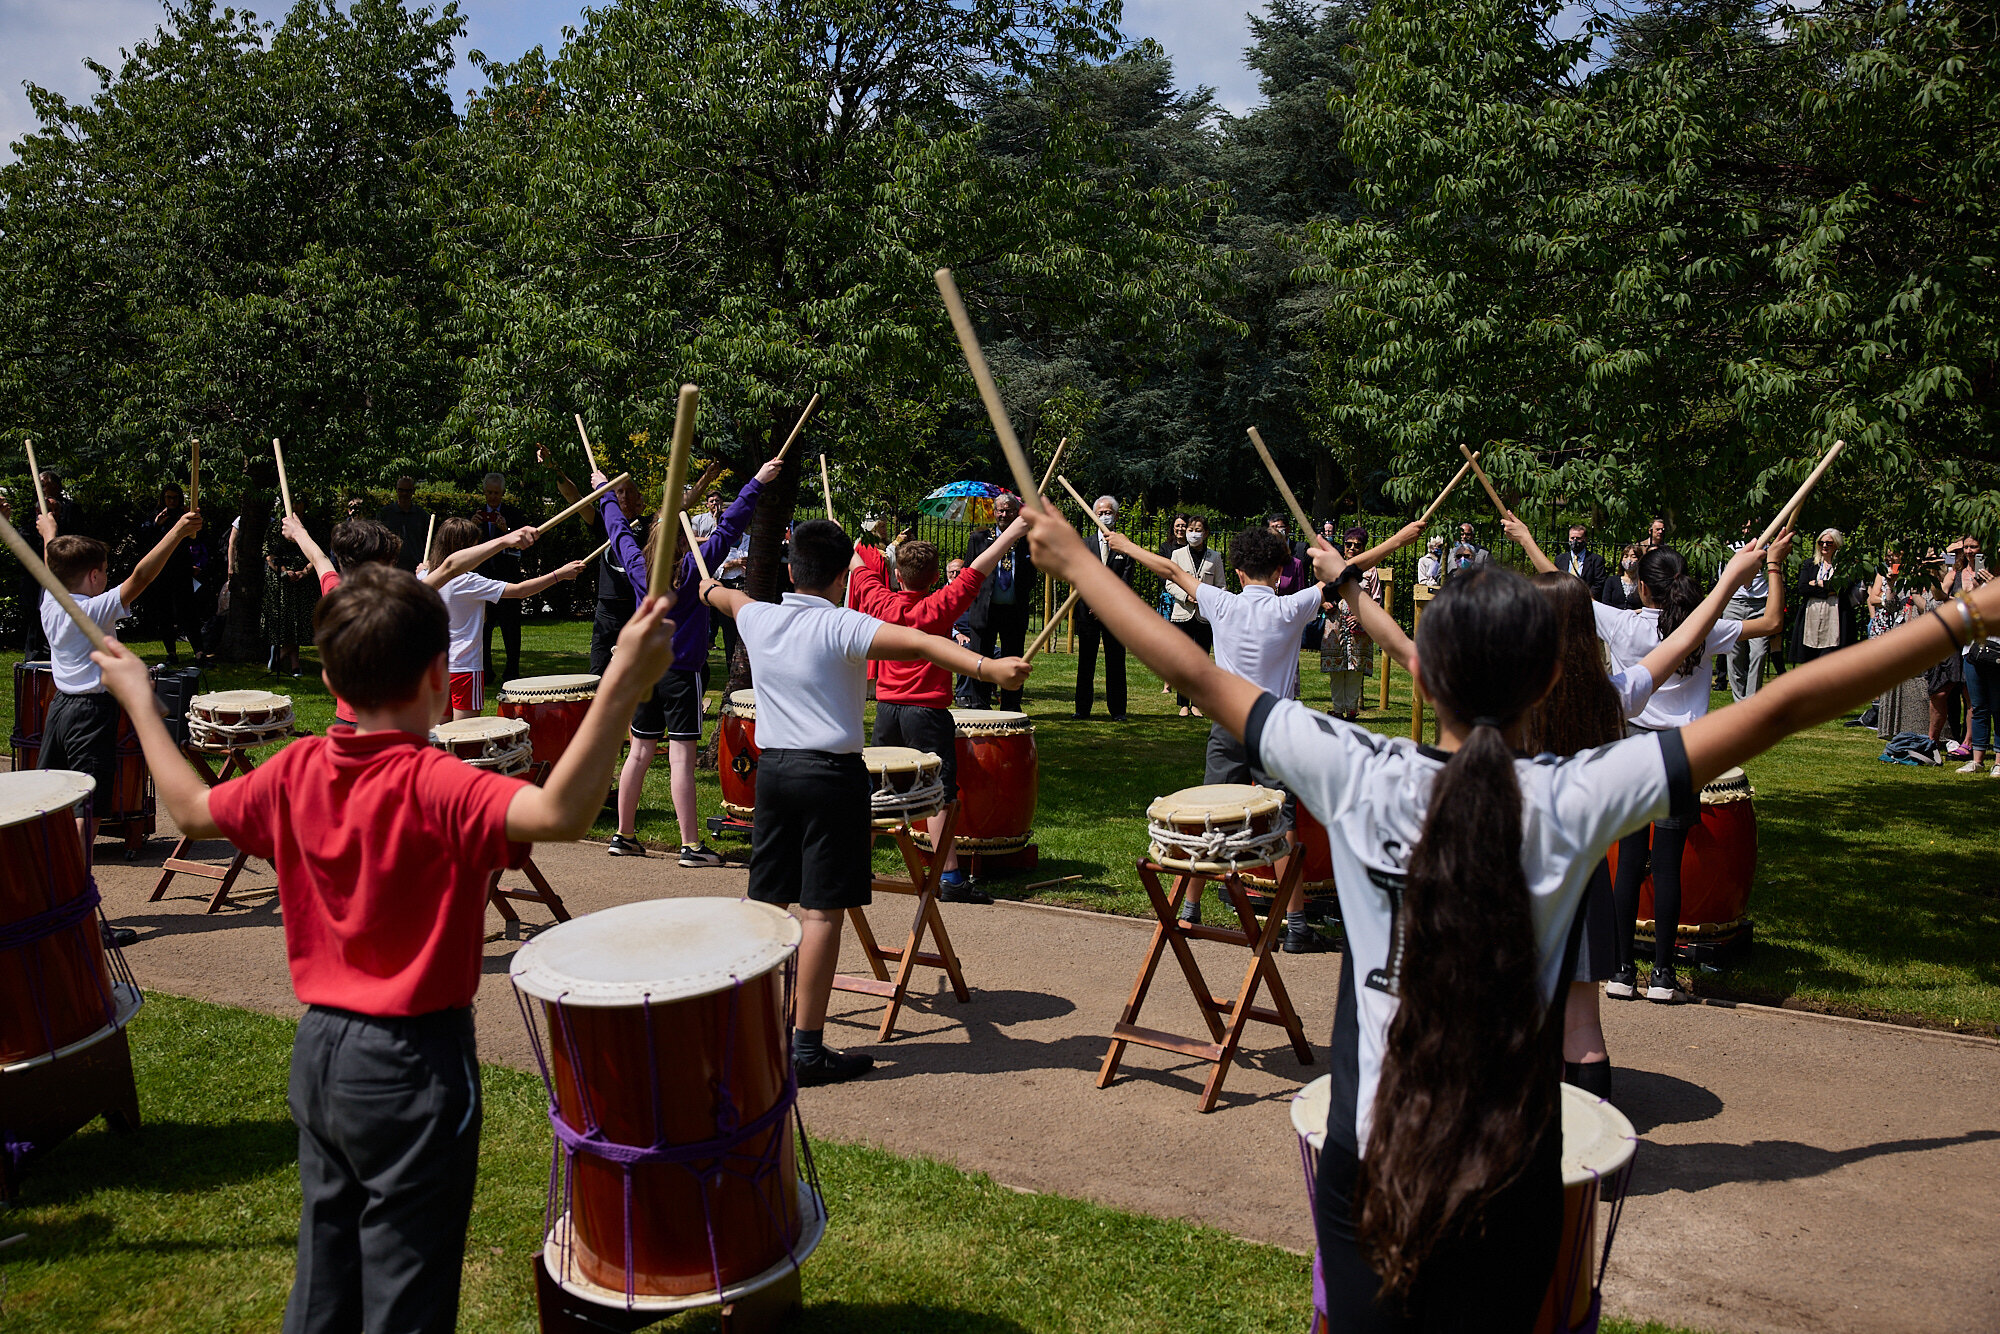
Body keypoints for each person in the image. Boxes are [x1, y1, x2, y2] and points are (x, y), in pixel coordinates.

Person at [1020, 497, 1990, 1332]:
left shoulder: (1355, 769)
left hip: (1369, 1172)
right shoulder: (1574, 795)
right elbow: (1779, 706)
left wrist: (1074, 558)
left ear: (1424, 674)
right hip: (1513, 1174)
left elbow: (1192, 673)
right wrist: (1962, 614)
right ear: (1543, 683)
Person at [90, 562, 676, 1334]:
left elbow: (192, 809)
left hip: (322, 1055)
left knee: (326, 1286)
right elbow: (563, 812)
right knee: (405, 1302)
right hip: (412, 1067)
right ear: (441, 674)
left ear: (331, 675)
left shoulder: (295, 770)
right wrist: (621, 685)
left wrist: (139, 698)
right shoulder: (438, 783)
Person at [701, 519, 1032, 1086]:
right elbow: (925, 642)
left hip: (774, 776)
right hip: (830, 776)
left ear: (789, 571)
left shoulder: (759, 616)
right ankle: (805, 1048)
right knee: (822, 910)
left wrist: (704, 584)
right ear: (840, 578)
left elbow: (720, 594)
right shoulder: (845, 627)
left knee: (768, 905)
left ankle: (751, 1034)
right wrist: (988, 667)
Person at [1505, 514, 1775, 1097]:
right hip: (1626, 820)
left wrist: (1527, 541)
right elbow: (1689, 638)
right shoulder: (1618, 692)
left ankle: (1534, 1117)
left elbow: (1411, 651)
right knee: (1585, 1016)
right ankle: (1657, 983)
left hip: (1535, 863)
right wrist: (1738, 576)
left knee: (1529, 1009)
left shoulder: (1513, 697)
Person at [1116, 523, 1351, 952]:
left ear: (1238, 572)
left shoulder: (1220, 603)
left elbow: (1170, 571)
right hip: (1276, 730)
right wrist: (1400, 540)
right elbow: (1343, 575)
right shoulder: (1291, 607)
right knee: (1283, 825)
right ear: (1280, 572)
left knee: (1208, 817)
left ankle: (1189, 911)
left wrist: (1124, 545)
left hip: (1228, 726)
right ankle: (1296, 925)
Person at [1594, 545, 1789, 1003]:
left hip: (1632, 750)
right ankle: (1662, 975)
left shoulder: (1621, 623)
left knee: (1627, 863)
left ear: (1641, 585)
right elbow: (1774, 622)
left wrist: (1525, 538)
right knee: (1667, 865)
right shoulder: (1705, 629)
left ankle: (1622, 971)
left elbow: (1561, 586)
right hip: (1681, 754)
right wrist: (1774, 566)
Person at [590, 457, 780, 862]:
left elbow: (617, 527)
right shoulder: (696, 566)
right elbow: (729, 527)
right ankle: (691, 844)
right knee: (681, 758)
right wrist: (757, 481)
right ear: (686, 538)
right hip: (680, 672)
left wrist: (605, 491)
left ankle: (624, 835)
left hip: (643, 671)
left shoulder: (640, 567)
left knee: (639, 752)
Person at [850, 514, 1028, 898]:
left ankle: (856, 867)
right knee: (941, 795)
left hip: (886, 709)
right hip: (927, 714)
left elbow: (859, 567)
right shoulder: (940, 607)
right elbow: (980, 568)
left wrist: (844, 539)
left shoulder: (880, 601)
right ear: (935, 577)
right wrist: (1014, 530)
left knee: (878, 791)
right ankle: (949, 877)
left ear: (898, 575)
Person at [26, 502, 202, 885]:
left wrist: (48, 534)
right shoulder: (93, 609)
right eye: (104, 571)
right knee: (86, 811)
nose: (107, 577)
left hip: (60, 711)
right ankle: (79, 902)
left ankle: (50, 891)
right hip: (91, 712)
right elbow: (141, 577)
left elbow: (55, 563)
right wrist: (177, 533)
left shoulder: (50, 600)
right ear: (93, 576)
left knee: (56, 800)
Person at [421, 517, 583, 720]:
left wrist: (423, 570)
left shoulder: (424, 577)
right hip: (465, 669)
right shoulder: (467, 581)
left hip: (434, 667)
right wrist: (560, 574)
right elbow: (519, 591)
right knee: (464, 738)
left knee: (439, 734)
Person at [282, 514, 405, 729]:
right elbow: (448, 568)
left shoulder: (337, 593)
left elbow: (319, 559)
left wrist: (298, 533)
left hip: (347, 721)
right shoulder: (392, 603)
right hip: (386, 722)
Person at [957, 491, 1034, 710]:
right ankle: (980, 705)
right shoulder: (979, 538)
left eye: (1009, 510)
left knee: (1014, 660)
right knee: (981, 658)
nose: (1004, 514)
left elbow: (1032, 575)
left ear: (1016, 513)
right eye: (1000, 510)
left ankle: (1011, 706)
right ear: (993, 512)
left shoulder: (1027, 540)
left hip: (1014, 611)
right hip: (985, 610)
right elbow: (969, 571)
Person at [1939, 537, 1995, 775]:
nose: (1970, 552)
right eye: (1967, 548)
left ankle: (1999, 762)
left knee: (1998, 706)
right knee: (1977, 705)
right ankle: (1977, 759)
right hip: (1971, 648)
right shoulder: (1964, 576)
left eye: (1975, 548)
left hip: (1996, 648)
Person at [1074, 495, 1133, 719]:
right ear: (1093, 515)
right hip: (1087, 613)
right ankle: (1082, 709)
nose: (1104, 516)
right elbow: (1079, 577)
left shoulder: (1125, 546)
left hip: (1115, 614)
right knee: (1086, 662)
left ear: (1116, 516)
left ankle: (1118, 711)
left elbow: (1125, 581)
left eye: (1108, 513)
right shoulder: (1084, 545)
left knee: (1116, 662)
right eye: (1100, 513)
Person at [1166, 514, 1226, 717]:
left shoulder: (1215, 557)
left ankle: (1197, 703)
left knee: (1201, 659)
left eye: (1198, 530)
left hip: (1204, 615)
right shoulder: (1177, 554)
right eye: (1191, 530)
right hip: (1183, 613)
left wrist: (1209, 599)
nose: (1193, 534)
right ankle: (1183, 702)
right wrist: (1186, 596)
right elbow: (1170, 583)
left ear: (1206, 533)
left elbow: (1221, 585)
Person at [1320, 527, 1381, 720]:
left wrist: (1362, 615)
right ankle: (1338, 709)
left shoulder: (1370, 571)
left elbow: (1377, 599)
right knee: (1336, 669)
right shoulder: (1333, 567)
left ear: (1364, 547)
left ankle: (1351, 709)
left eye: (1357, 545)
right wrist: (1324, 603)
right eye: (1349, 544)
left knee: (1355, 669)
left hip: (1359, 626)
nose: (1352, 548)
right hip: (1335, 624)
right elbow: (1320, 590)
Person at [474, 472, 530, 684]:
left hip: (508, 579)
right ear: (484, 492)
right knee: (483, 629)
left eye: (497, 493)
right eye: (489, 493)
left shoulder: (514, 515)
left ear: (503, 493)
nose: (493, 497)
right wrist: (472, 526)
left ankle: (512, 672)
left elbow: (522, 547)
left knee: (511, 629)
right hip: (482, 579)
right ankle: (486, 672)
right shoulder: (475, 514)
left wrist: (506, 530)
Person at [137, 483, 199, 665]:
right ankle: (171, 652)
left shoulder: (184, 516)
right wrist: (156, 525)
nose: (171, 501)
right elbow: (143, 537)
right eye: (168, 498)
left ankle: (199, 652)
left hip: (182, 569)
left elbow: (198, 539)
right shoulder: (156, 516)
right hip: (161, 571)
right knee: (164, 613)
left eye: (174, 498)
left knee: (188, 611)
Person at [1786, 528, 1859, 666]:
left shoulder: (1845, 567)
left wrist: (1818, 583)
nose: (1824, 546)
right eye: (1821, 542)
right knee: (1810, 660)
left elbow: (1844, 587)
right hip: (1811, 615)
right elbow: (1802, 588)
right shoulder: (1810, 564)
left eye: (1829, 543)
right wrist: (1829, 590)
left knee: (1831, 659)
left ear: (1837, 545)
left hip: (1835, 616)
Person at [1722, 520, 1774, 700]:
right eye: (1745, 524)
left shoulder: (1769, 546)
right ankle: (1739, 701)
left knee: (1759, 652)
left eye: (1754, 524)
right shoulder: (1730, 546)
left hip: (1759, 604)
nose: (1748, 527)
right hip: (1734, 603)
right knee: (1734, 654)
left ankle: (1751, 701)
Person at [263, 514, 318, 676]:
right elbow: (269, 554)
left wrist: (305, 572)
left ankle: (283, 657)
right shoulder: (274, 529)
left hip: (303, 581)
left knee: (299, 622)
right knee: (286, 621)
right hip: (281, 582)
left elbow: (317, 554)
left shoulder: (310, 527)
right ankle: (292, 663)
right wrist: (285, 572)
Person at [376, 476, 428, 574]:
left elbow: (427, 541)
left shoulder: (422, 515)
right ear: (396, 490)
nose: (404, 494)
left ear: (413, 491)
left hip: (415, 569)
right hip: (391, 568)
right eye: (401, 490)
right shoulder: (385, 514)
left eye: (408, 491)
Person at [1556, 525, 1605, 589]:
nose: (1574, 541)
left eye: (1578, 538)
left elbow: (1599, 583)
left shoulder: (1596, 560)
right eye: (1572, 538)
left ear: (1585, 539)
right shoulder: (1560, 559)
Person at [1598, 543, 1645, 610]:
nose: (1629, 560)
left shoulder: (1642, 582)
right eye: (1626, 556)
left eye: (1633, 557)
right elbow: (1606, 603)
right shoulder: (1611, 581)